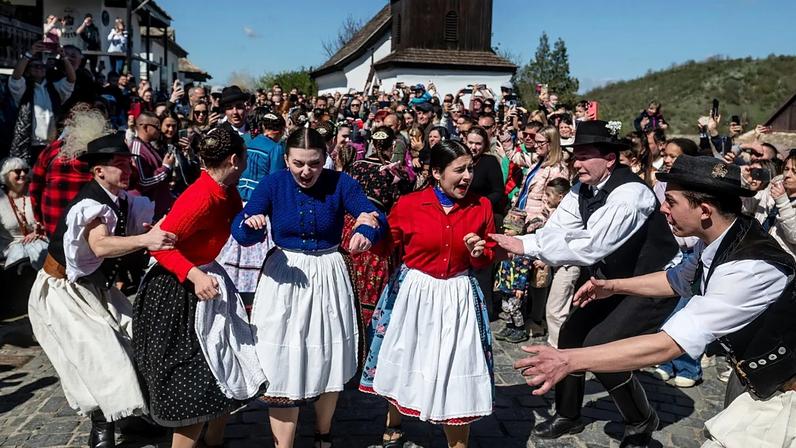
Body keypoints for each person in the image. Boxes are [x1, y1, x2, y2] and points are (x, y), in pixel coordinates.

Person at [517, 154, 796, 448]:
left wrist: (567, 359)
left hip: (785, 390)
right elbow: (676, 279)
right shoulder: (721, 239)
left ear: (703, 210)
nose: (662, 207)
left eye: (671, 201)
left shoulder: (747, 269)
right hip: (756, 374)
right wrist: (613, 286)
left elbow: (669, 344)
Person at [490, 120, 679, 447]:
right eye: (574, 155)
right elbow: (558, 228)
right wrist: (525, 243)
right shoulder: (583, 188)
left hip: (652, 284)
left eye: (584, 155)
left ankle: (640, 420)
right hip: (612, 282)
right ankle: (568, 414)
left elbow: (592, 245)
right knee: (571, 334)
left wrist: (526, 246)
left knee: (605, 349)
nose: (575, 163)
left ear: (609, 159)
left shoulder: (631, 194)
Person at [231, 128, 387, 448]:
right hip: (284, 276)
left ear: (325, 158)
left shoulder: (340, 182)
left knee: (328, 352)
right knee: (279, 357)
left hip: (329, 272)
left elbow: (373, 216)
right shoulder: (273, 184)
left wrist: (367, 228)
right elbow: (243, 226)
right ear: (286, 159)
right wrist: (251, 224)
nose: (306, 171)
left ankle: (323, 433)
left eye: (314, 163)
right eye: (298, 163)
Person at [27, 133, 176, 448]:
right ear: (99, 172)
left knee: (135, 342)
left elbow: (126, 232)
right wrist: (144, 241)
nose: (127, 170)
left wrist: (150, 232)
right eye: (119, 165)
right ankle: (102, 430)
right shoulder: (92, 204)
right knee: (102, 357)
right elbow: (101, 244)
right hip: (64, 292)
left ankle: (131, 415)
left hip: (95, 288)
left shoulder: (119, 198)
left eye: (127, 163)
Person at [133, 127, 265, 448]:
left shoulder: (226, 188)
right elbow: (159, 246)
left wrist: (251, 226)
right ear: (236, 159)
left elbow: (237, 231)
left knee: (223, 368)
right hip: (176, 289)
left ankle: (215, 443)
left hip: (207, 282)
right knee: (194, 381)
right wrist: (194, 276)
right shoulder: (200, 197)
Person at [360, 139, 496, 448]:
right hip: (415, 294)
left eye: (470, 169)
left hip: (458, 295)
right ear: (436, 172)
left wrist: (479, 251)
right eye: (458, 170)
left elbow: (486, 256)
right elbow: (386, 246)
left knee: (459, 363)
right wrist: (372, 229)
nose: (467, 177)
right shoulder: (409, 204)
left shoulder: (481, 206)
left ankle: (457, 441)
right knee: (406, 353)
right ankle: (394, 420)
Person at [340, 126, 413, 325]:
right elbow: (402, 203)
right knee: (372, 283)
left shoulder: (356, 165)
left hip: (349, 228)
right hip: (377, 229)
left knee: (348, 276)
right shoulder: (394, 171)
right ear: (392, 145)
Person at [28, 105, 99, 237]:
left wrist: (38, 220)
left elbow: (34, 188)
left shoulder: (52, 150)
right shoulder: (99, 153)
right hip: (85, 230)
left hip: (61, 226)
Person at [9, 41, 76, 165]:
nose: (40, 68)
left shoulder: (54, 89)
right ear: (28, 70)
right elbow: (16, 77)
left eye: (42, 66)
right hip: (29, 145)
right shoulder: (24, 89)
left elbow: (71, 79)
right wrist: (29, 54)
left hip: (53, 145)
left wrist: (64, 57)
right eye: (35, 66)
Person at [0, 157, 47, 318]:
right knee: (19, 254)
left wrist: (39, 230)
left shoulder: (34, 192)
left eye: (25, 171)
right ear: (6, 175)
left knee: (38, 250)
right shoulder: (0, 199)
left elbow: (47, 218)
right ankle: (17, 300)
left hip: (39, 239)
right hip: (12, 244)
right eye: (17, 171)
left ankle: (46, 296)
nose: (22, 174)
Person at [129, 111, 175, 219]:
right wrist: (166, 168)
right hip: (145, 212)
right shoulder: (136, 149)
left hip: (157, 209)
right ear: (145, 127)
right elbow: (143, 182)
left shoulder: (148, 146)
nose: (160, 131)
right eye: (157, 127)